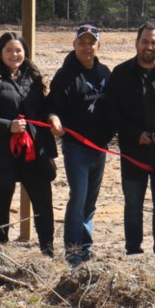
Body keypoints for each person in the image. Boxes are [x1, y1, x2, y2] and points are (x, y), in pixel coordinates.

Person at [0, 32, 56, 255]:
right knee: (1, 203)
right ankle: (1, 253)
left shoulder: (33, 79)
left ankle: (48, 251)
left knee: (43, 203)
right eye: (9, 50)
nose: (14, 55)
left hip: (32, 152)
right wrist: (8, 126)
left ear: (24, 53)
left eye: (18, 50)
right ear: (0, 53)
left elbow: (43, 118)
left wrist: (51, 155)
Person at [105, 22, 155, 256]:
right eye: (145, 41)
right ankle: (133, 251)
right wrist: (134, 133)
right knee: (133, 206)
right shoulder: (120, 73)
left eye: (154, 42)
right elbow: (112, 111)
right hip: (133, 152)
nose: (149, 46)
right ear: (136, 43)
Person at [47, 23, 113, 266]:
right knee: (78, 198)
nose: (87, 47)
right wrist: (55, 121)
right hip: (76, 149)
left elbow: (114, 107)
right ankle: (73, 252)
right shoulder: (65, 75)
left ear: (98, 45)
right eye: (82, 42)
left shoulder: (105, 73)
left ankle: (85, 248)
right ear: (74, 45)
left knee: (90, 202)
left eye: (91, 42)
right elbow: (52, 106)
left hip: (99, 148)